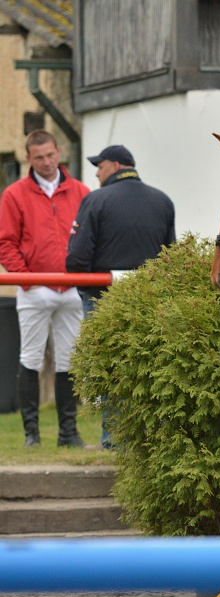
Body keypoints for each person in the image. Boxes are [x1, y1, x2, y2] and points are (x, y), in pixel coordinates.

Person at [66, 144, 176, 449]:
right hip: (149, 299)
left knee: (110, 370)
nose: (97, 173)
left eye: (99, 167)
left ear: (114, 166)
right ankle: (145, 441)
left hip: (102, 297)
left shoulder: (96, 199)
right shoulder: (163, 201)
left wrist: (85, 286)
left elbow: (76, 258)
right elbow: (171, 255)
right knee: (147, 368)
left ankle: (113, 440)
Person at [0, 129, 90, 447]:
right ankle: (32, 435)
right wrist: (27, 280)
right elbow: (6, 242)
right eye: (38, 157)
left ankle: (68, 433)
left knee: (68, 359)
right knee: (31, 357)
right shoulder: (14, 195)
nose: (46, 162)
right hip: (34, 289)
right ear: (28, 158)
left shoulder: (81, 191)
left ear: (58, 152)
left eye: (50, 155)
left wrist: (81, 277)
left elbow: (90, 238)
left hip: (73, 288)